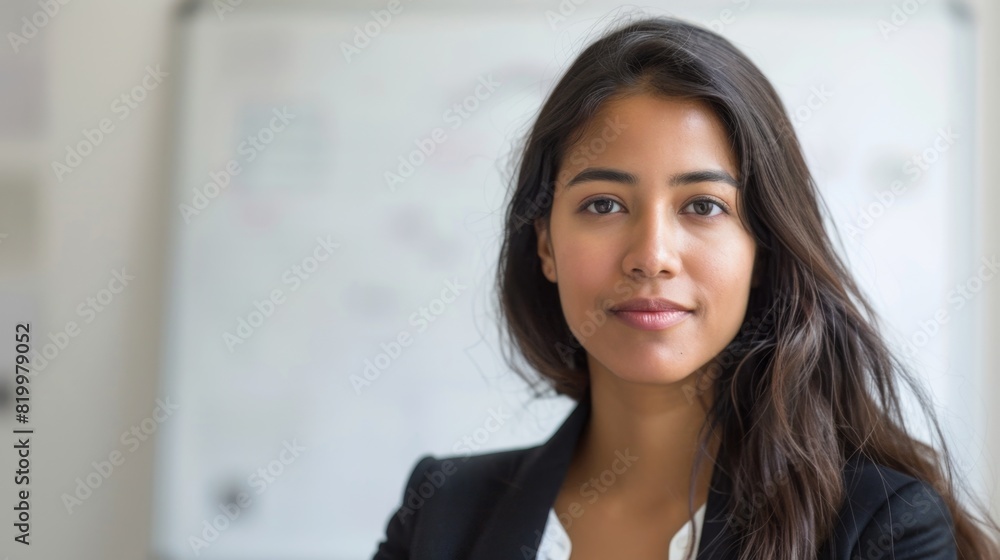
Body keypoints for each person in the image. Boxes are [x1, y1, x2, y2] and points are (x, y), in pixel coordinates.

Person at [372, 13, 1000, 560]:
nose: (651, 257)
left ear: (766, 247)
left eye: (702, 206)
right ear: (545, 245)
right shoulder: (440, 514)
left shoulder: (879, 527)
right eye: (602, 205)